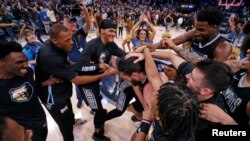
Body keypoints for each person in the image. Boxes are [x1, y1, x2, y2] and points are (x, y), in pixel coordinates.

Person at [35, 24, 115, 141]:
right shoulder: (50, 56)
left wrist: (91, 66)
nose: (72, 42)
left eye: (71, 38)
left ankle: (71, 120)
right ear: (55, 40)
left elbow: (67, 64)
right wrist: (104, 74)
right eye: (67, 40)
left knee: (69, 112)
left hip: (61, 87)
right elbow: (76, 79)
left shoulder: (55, 44)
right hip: (52, 96)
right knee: (65, 126)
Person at [74, 19, 126, 141]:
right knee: (100, 111)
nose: (114, 33)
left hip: (96, 82)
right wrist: (98, 66)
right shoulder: (92, 45)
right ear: (102, 31)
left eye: (115, 31)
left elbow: (124, 54)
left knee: (98, 105)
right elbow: (78, 66)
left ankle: (96, 108)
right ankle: (97, 135)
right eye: (111, 31)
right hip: (87, 85)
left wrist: (138, 54)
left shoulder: (111, 45)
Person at [0, 41, 47, 141]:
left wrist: (47, 82)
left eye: (26, 61)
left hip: (41, 122)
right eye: (19, 62)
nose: (26, 65)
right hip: (21, 133)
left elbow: (33, 90)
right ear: (1, 63)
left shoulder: (28, 72)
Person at [152, 7, 232, 64]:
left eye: (201, 30)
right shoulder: (195, 32)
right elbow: (172, 42)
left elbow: (212, 69)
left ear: (215, 27)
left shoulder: (223, 46)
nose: (196, 32)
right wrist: (150, 47)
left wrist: (176, 48)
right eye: (196, 28)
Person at [63, 3, 91, 108]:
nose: (73, 24)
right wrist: (65, 18)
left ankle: (90, 102)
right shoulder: (65, 38)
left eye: (74, 23)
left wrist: (85, 11)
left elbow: (88, 24)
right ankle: (80, 100)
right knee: (78, 85)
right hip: (74, 66)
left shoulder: (80, 33)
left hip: (86, 64)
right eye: (70, 23)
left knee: (89, 84)